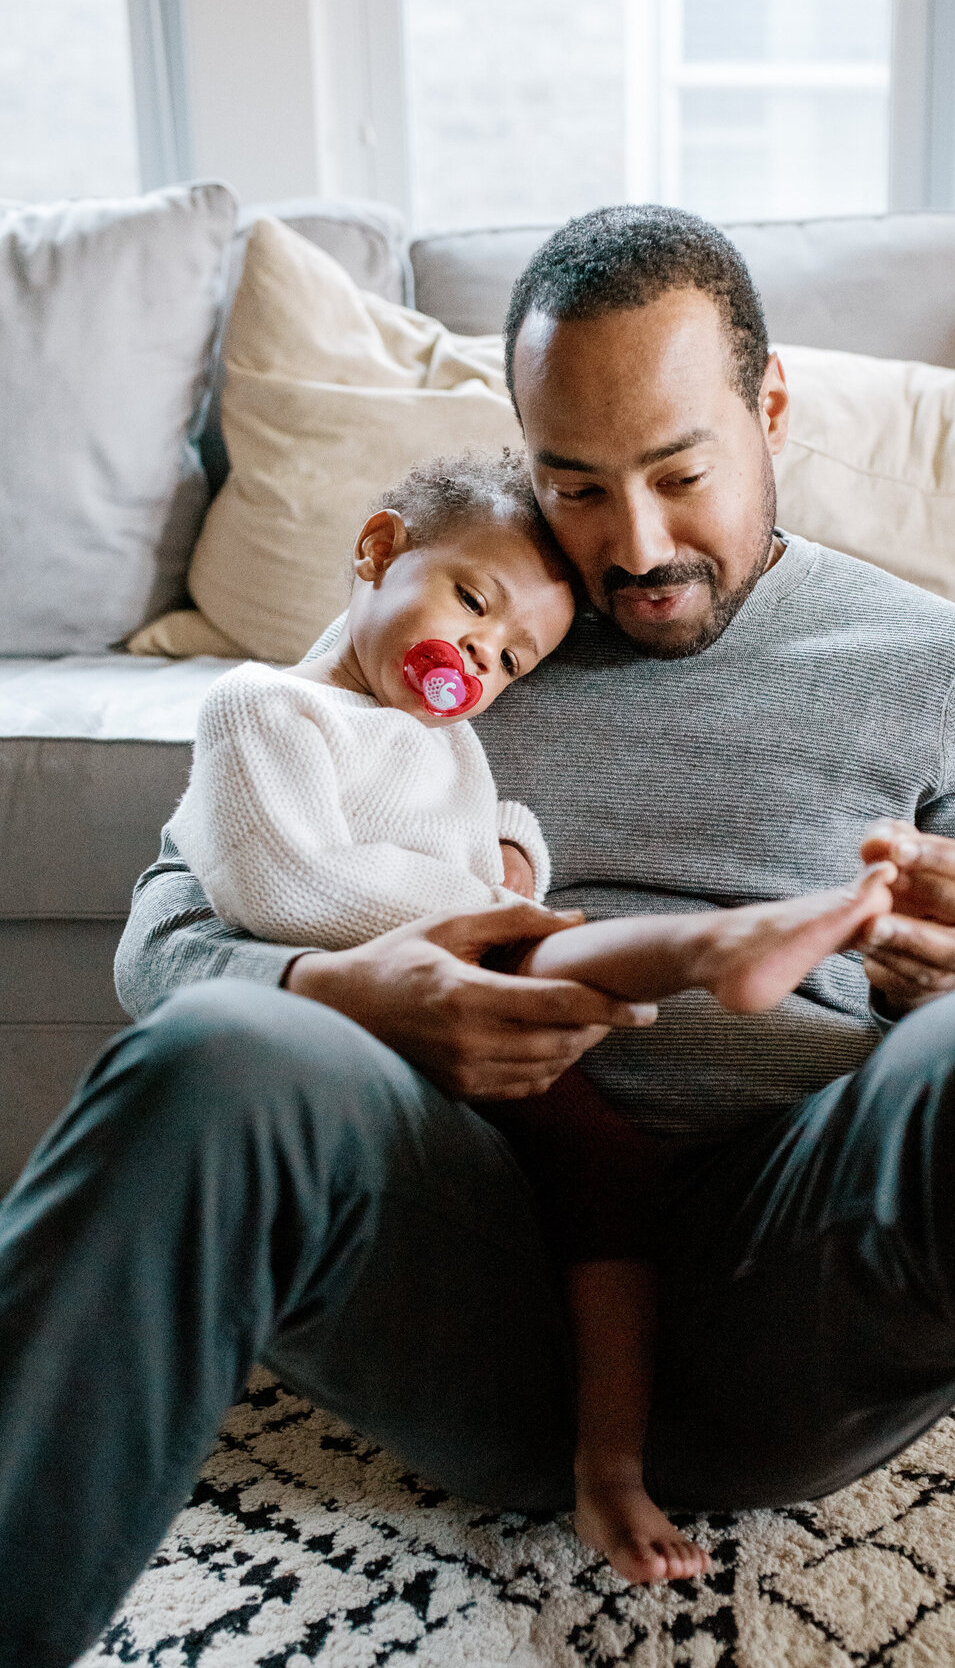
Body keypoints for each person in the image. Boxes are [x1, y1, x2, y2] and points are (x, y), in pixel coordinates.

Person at [2, 205, 955, 1668]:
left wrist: (954, 969)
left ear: (771, 410)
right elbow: (168, 934)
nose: (634, 545)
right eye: (575, 484)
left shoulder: (933, 668)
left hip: (794, 1294)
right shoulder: (469, 623)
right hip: (472, 1275)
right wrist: (346, 987)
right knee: (219, 1042)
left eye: (680, 473)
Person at [169, 445, 897, 1582]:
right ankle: (716, 947)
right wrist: (497, 912)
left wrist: (512, 844)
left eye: (511, 656)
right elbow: (287, 885)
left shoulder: (451, 742)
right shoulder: (262, 708)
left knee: (609, 1178)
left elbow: (470, 840)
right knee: (558, 952)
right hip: (361, 1046)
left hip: (488, 1022)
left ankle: (609, 1467)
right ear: (376, 551)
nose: (478, 655)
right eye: (471, 602)